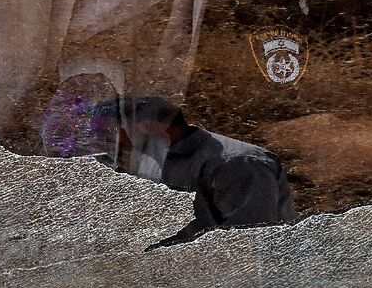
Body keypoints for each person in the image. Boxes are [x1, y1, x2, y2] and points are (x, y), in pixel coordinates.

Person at [93, 96, 295, 248]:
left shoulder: (238, 164)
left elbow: (248, 240)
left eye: (111, 131)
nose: (107, 140)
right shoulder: (153, 157)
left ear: (148, 125)